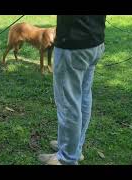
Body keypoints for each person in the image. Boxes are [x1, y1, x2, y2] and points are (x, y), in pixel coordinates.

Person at [38, 15, 106, 165]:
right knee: (83, 97)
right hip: (94, 39)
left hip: (73, 44)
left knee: (68, 104)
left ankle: (67, 158)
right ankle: (74, 149)